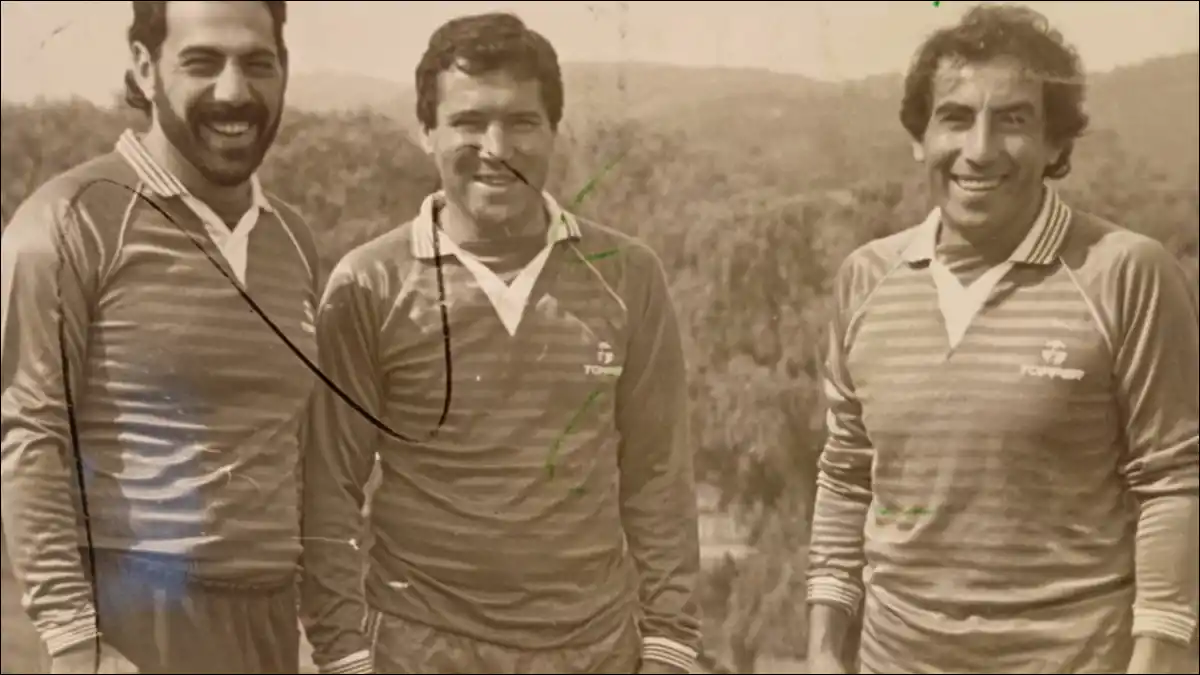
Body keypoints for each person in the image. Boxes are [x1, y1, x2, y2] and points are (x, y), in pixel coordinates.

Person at [298, 11, 701, 675]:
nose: (497, 147)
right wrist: (344, 655)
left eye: (521, 122)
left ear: (553, 131)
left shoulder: (629, 275)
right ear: (426, 131)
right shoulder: (369, 283)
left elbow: (659, 477)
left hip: (594, 650)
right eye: (468, 121)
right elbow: (328, 489)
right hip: (418, 650)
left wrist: (668, 649)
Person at [805, 4, 1199, 674]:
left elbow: (1174, 481)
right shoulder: (866, 278)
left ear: (1055, 145)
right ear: (920, 137)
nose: (980, 149)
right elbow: (846, 473)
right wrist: (822, 648)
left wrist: (1156, 660)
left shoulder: (1126, 272)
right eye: (955, 117)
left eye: (1013, 120)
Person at [1, 1, 320, 672]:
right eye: (202, 62)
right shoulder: (69, 220)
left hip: (269, 625)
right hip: (135, 621)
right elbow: (28, 433)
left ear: (285, 69)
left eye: (258, 63)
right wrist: (74, 641)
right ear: (144, 68)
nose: (234, 91)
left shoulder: (292, 239)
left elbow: (305, 456)